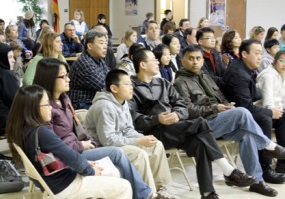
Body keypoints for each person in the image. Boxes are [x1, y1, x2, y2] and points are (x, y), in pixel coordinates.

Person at [128, 48, 256, 199]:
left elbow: (181, 105)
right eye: (154, 60)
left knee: (201, 143)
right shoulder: (131, 87)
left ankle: (208, 193)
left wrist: (177, 114)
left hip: (176, 127)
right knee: (200, 123)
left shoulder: (162, 83)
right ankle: (227, 170)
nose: (158, 62)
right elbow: (132, 118)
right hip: (153, 133)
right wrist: (157, 119)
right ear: (142, 64)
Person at [33, 58, 159, 199]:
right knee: (119, 153)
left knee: (146, 149)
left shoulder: (65, 99)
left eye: (67, 75)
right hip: (68, 156)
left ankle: (151, 191)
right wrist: (80, 145)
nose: (68, 79)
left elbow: (79, 126)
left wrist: (89, 141)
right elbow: (53, 144)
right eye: (63, 76)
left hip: (79, 148)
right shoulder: (45, 108)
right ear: (49, 78)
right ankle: (146, 194)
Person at [174, 44, 285, 196]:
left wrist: (227, 106)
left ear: (202, 61)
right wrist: (215, 109)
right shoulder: (180, 82)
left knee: (248, 135)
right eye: (191, 58)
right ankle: (267, 145)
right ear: (183, 61)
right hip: (203, 126)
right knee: (242, 112)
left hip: (220, 120)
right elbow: (187, 111)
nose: (195, 62)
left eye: (198, 58)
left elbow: (221, 96)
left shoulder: (205, 76)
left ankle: (257, 181)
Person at [6, 85, 133, 199]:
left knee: (113, 172)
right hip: (65, 186)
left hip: (51, 182)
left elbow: (53, 160)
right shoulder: (42, 132)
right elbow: (71, 157)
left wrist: (87, 164)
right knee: (124, 186)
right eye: (46, 104)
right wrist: (91, 171)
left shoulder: (20, 130)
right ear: (33, 108)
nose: (51, 107)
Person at [86, 69, 177, 198]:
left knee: (156, 144)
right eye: (127, 84)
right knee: (138, 153)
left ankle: (159, 188)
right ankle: (148, 195)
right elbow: (108, 140)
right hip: (103, 148)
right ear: (114, 88)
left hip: (119, 143)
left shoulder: (123, 103)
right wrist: (138, 141)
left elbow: (128, 129)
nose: (131, 87)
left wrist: (143, 137)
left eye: (131, 84)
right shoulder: (104, 106)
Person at [222, 39, 285, 184]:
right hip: (235, 116)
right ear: (244, 54)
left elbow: (255, 96)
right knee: (265, 118)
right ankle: (265, 167)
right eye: (256, 53)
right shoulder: (237, 73)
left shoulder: (247, 69)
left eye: (261, 53)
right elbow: (246, 106)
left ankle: (282, 163)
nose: (260, 57)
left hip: (244, 110)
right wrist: (269, 112)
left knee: (282, 116)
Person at [69, 29, 109, 110]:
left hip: (95, 101)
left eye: (106, 43)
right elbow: (105, 86)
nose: (105, 47)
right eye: (101, 43)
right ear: (89, 46)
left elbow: (110, 78)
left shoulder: (99, 60)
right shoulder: (84, 62)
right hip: (82, 105)